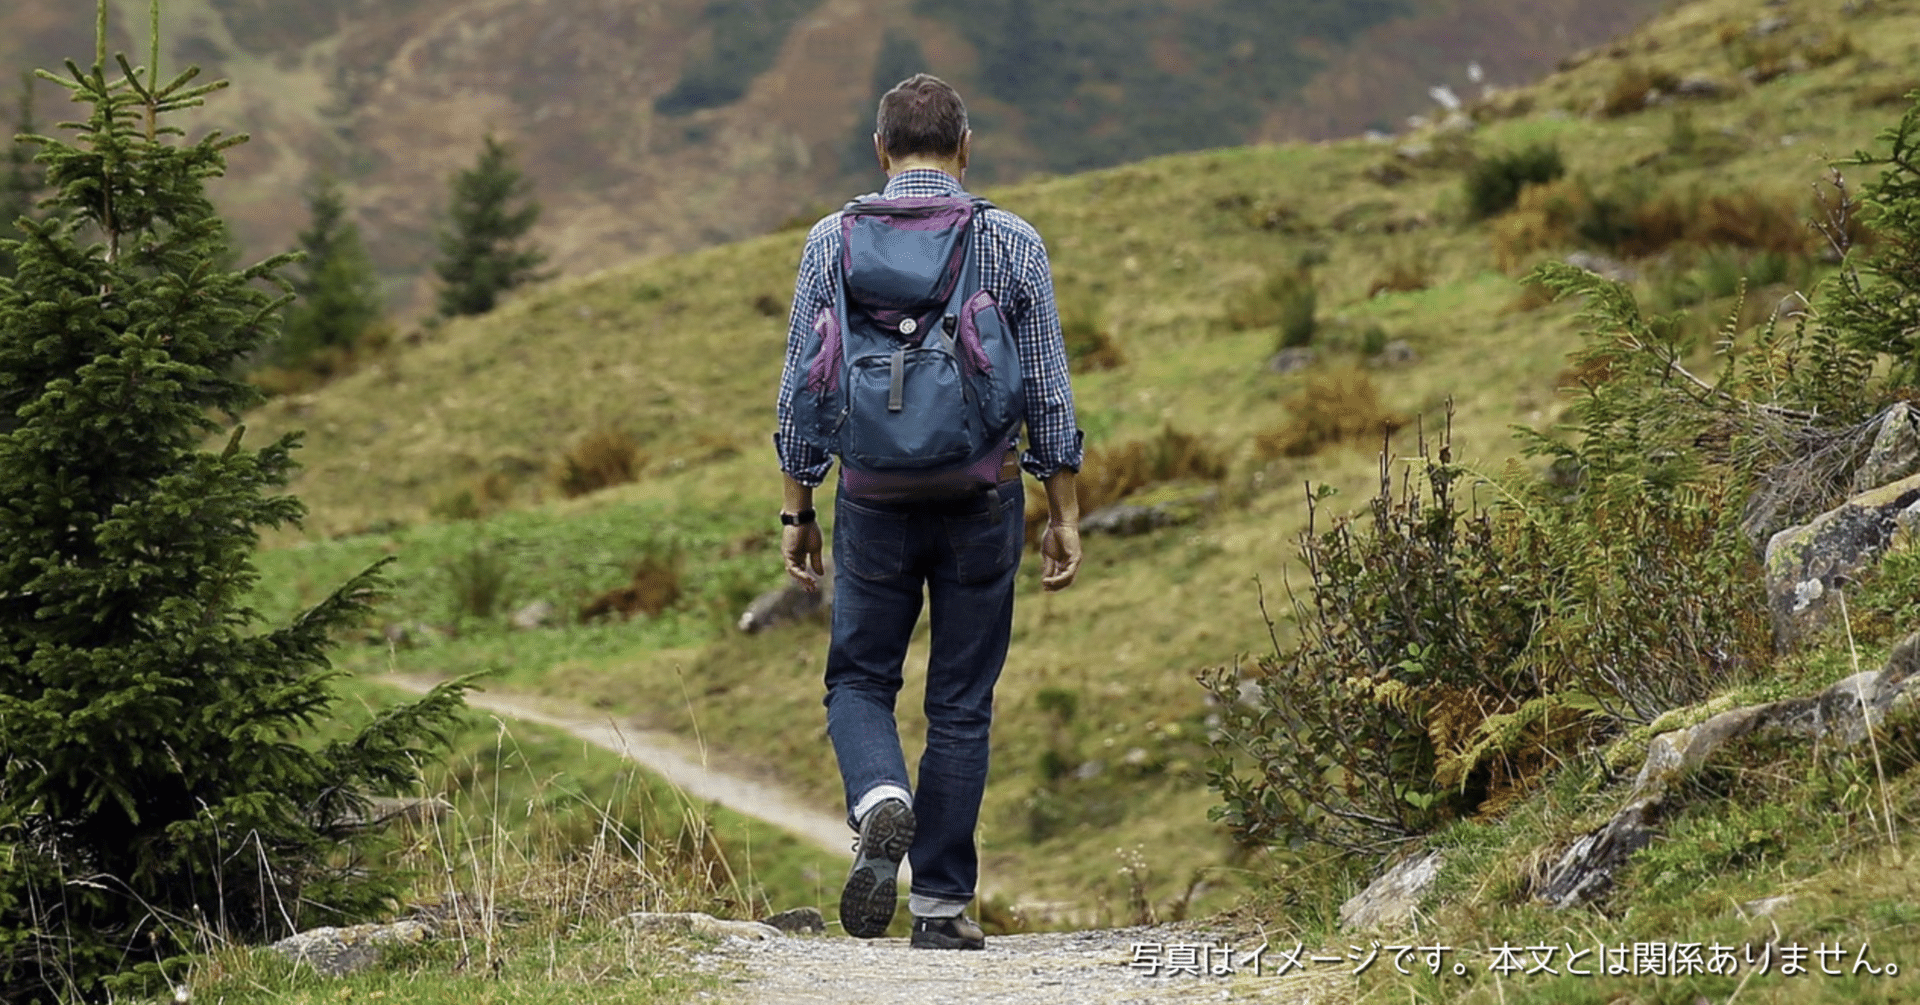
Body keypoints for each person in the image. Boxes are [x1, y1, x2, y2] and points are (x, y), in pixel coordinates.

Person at [773, 73, 1084, 951]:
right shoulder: (1011, 241)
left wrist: (798, 507)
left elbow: (804, 381)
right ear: (965, 147)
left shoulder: (831, 241)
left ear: (880, 150)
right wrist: (1062, 507)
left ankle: (880, 796)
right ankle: (941, 905)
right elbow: (1050, 389)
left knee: (859, 678)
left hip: (871, 498)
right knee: (960, 701)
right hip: (982, 496)